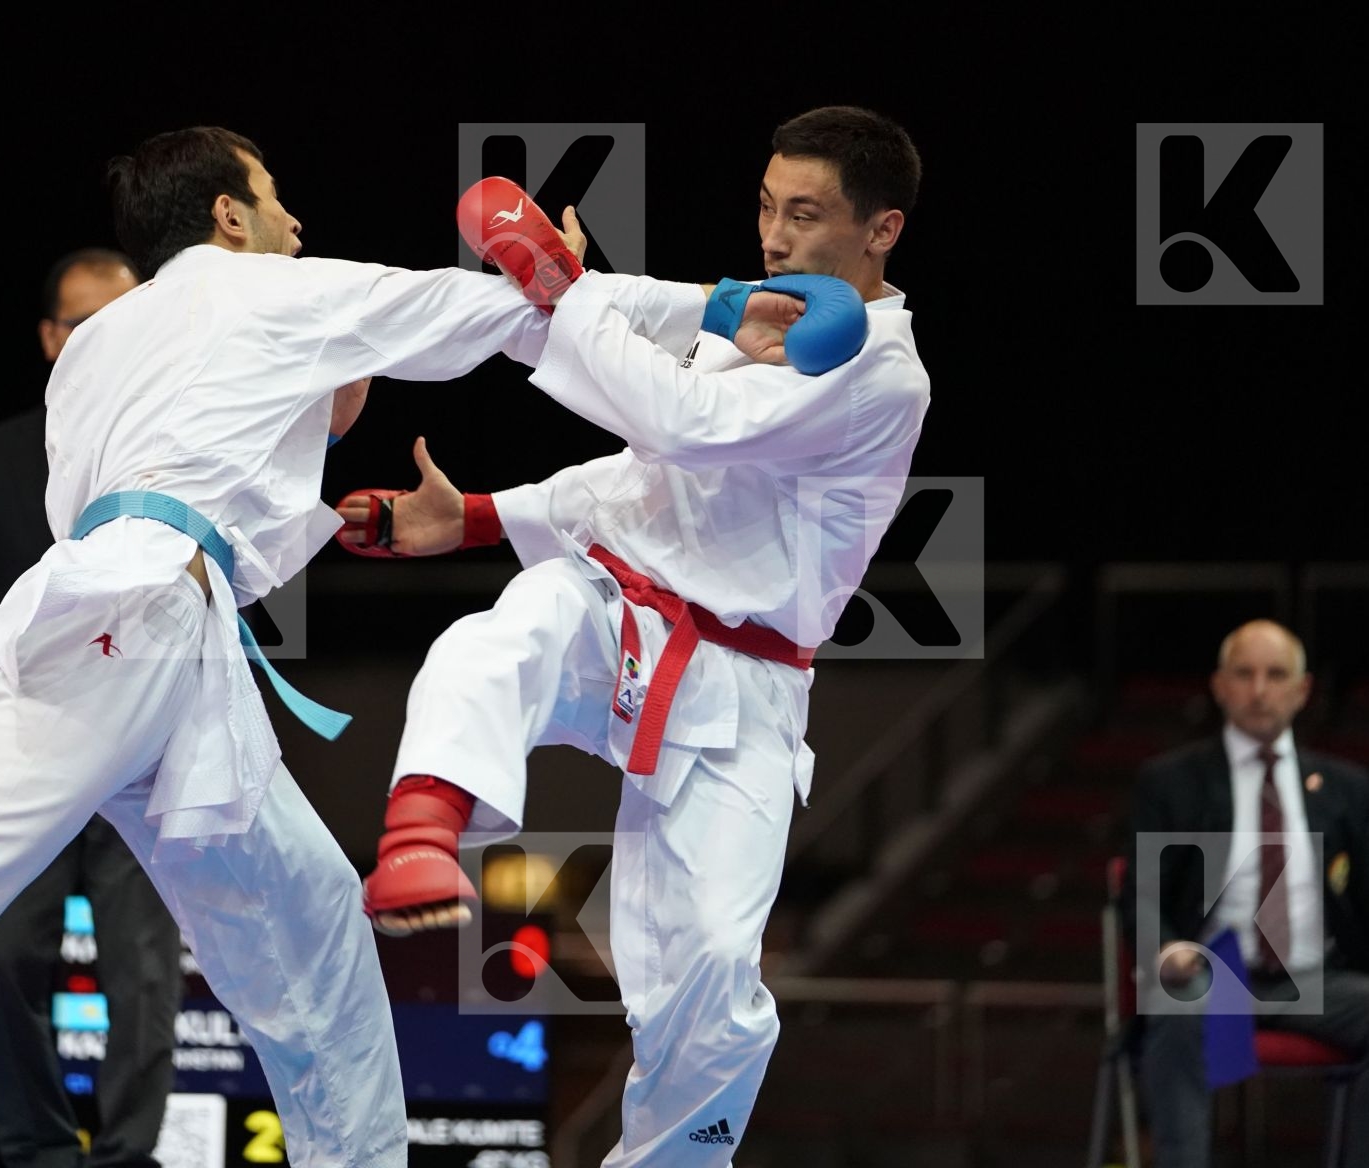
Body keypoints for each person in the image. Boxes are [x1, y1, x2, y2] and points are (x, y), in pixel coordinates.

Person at [0, 124, 581, 1168]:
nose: (297, 220)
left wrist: (335, 437)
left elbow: (223, 449)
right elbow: (475, 314)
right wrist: (581, 281)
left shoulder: (103, 345)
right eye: (275, 195)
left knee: (316, 924)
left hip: (159, 636)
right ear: (230, 214)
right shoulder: (267, 290)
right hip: (133, 622)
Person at [340, 105, 930, 1165]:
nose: (776, 236)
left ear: (882, 230)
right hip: (622, 609)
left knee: (708, 987)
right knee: (507, 632)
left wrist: (572, 292)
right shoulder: (747, 316)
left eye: (805, 215)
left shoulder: (882, 376)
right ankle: (421, 833)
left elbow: (682, 427)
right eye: (764, 207)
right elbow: (646, 479)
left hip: (745, 687)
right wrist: (473, 516)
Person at [0, 248, 184, 1168]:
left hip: (144, 754)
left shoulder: (184, 455)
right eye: (85, 326)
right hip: (22, 749)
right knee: (2, 962)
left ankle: (127, 1157)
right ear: (50, 338)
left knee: (144, 975)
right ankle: (37, 1150)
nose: (104, 343)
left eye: (125, 323)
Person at [1121, 618, 1369, 1166]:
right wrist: (1166, 951)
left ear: (1302, 689)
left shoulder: (1345, 787)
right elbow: (1142, 897)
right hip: (1214, 978)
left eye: (1275, 674)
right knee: (1176, 1010)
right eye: (1244, 674)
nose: (1259, 690)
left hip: (1316, 980)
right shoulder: (1172, 780)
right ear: (1219, 686)